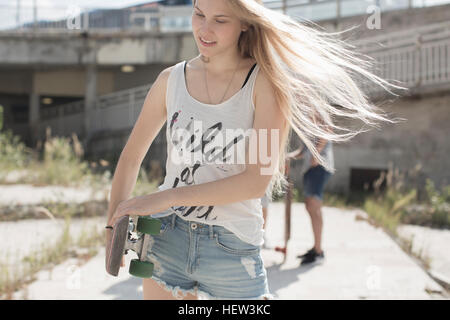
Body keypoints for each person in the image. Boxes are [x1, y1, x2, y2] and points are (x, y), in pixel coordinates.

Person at [105, 0, 405, 300]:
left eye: (220, 20)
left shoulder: (266, 85)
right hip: (165, 236)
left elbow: (255, 182)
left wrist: (166, 197)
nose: (205, 29)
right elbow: (131, 157)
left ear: (245, 22)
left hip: (230, 248)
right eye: (199, 14)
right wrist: (112, 229)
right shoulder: (169, 81)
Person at [287, 137, 334, 266]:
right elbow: (303, 150)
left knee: (314, 206)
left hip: (319, 166)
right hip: (310, 168)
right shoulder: (307, 121)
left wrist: (316, 153)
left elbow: (326, 129)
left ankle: (318, 252)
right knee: (310, 206)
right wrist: (288, 156)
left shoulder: (316, 116)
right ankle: (316, 248)